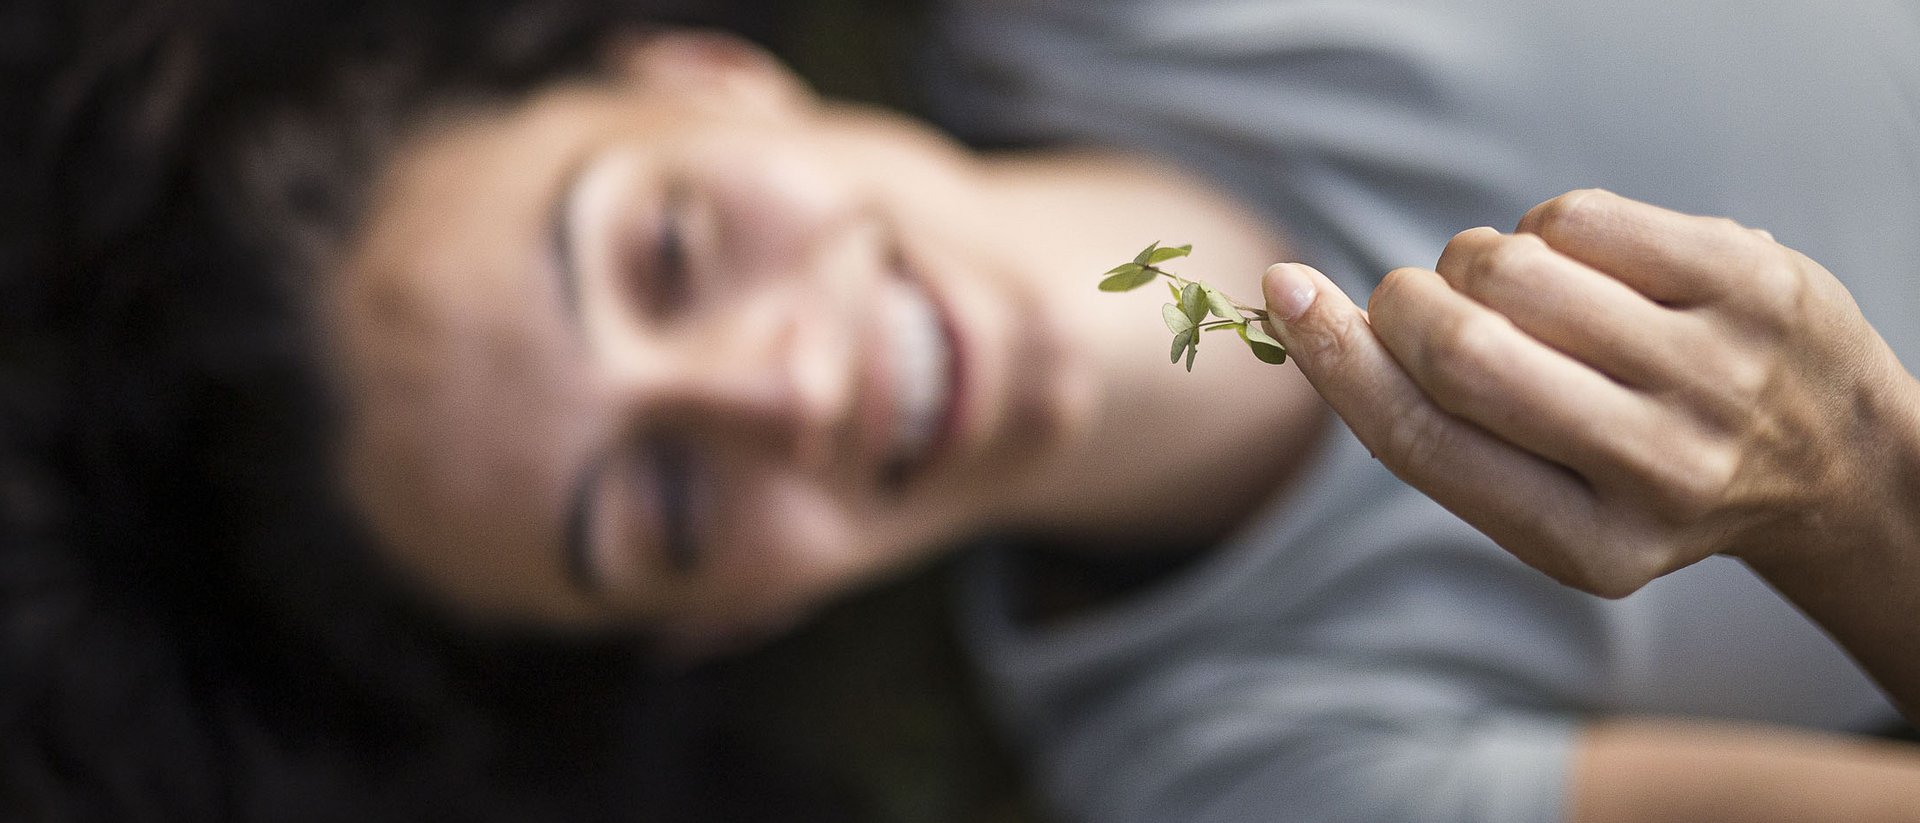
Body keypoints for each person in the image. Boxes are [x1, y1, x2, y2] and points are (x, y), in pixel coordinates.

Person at [5, 1, 1916, 822]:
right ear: (717, 614)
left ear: (707, 77)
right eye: (661, 501)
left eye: (665, 251)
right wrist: (1859, 508)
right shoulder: (1251, 768)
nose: (784, 388)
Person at [924, 0, 1920, 820]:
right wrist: (1856, 498)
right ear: (764, 612)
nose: (778, 387)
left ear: (757, 77)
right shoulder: (1222, 767)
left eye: (752, 272)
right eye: (752, 502)